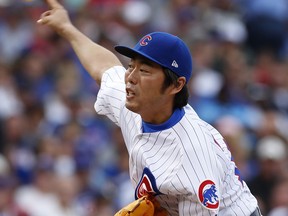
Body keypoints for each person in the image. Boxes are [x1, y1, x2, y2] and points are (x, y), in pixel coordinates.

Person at [37, 0, 261, 215]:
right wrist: (67, 28)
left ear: (176, 85)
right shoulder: (138, 101)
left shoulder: (191, 154)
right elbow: (104, 67)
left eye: (144, 70)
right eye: (131, 66)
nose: (130, 78)